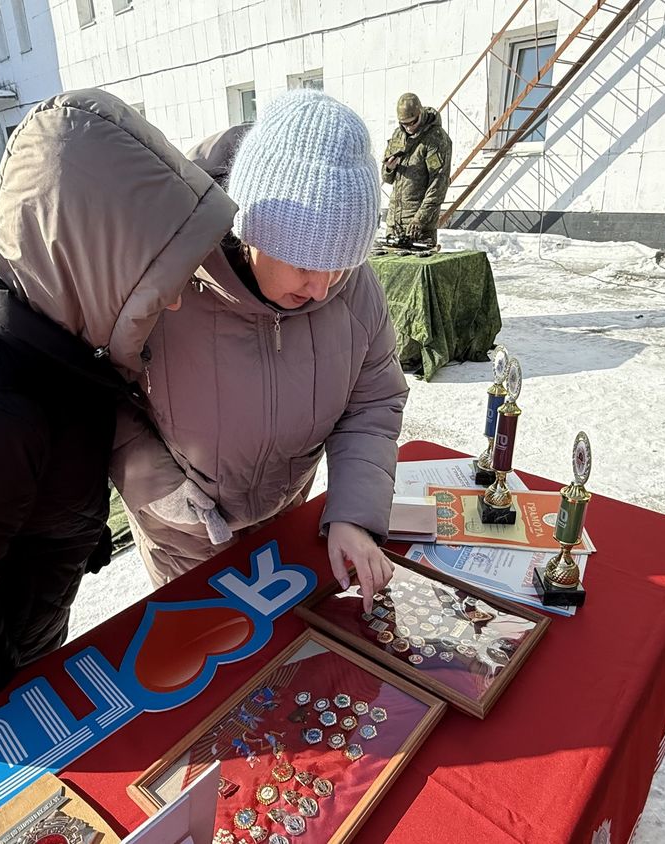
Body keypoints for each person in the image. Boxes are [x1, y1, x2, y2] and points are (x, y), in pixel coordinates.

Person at [0, 90, 235, 710]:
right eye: (154, 277)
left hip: (28, 619)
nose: (172, 301)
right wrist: (19, 708)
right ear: (87, 261)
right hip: (4, 676)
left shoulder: (42, 324)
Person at [110, 89, 407, 604]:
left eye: (342, 263)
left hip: (286, 516)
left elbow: (373, 402)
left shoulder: (353, 288)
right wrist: (161, 490)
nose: (323, 287)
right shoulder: (163, 270)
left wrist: (353, 515)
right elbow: (105, 390)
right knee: (206, 642)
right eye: (306, 263)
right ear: (253, 232)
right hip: (185, 535)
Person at [381, 92, 452, 249]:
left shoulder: (435, 139)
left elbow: (438, 184)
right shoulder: (398, 135)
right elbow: (387, 178)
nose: (408, 128)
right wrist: (389, 168)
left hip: (418, 228)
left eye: (412, 122)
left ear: (420, 113)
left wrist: (420, 218)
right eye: (404, 124)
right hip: (394, 224)